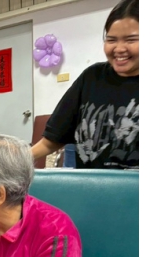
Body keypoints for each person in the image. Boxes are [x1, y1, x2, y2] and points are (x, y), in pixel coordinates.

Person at [31, 0, 139, 169]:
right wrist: (16, 160)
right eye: (111, 40)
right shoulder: (92, 78)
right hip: (90, 190)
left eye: (131, 40)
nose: (119, 49)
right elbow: (52, 140)